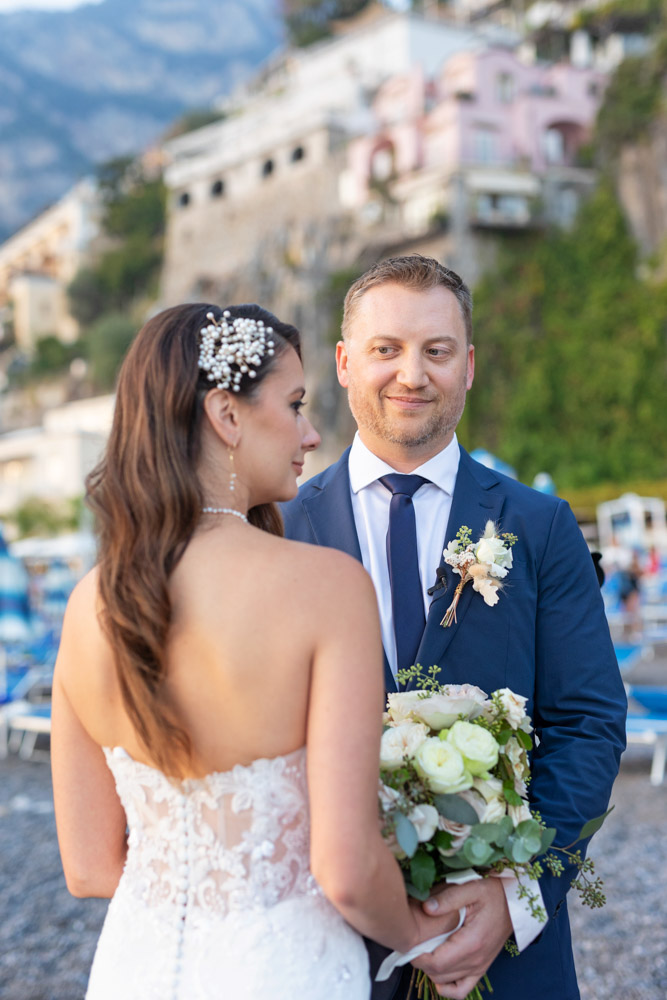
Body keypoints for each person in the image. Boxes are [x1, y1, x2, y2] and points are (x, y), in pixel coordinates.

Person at [51, 302, 455, 1000]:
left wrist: (205, 901)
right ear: (226, 415)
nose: (310, 432)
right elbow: (347, 867)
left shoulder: (90, 604)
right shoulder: (323, 586)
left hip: (135, 969)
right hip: (282, 970)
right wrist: (430, 943)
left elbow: (88, 866)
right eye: (294, 404)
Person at [282, 255, 627, 1000]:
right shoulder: (277, 530)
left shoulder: (538, 527)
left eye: (435, 351)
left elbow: (588, 722)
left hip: (505, 957)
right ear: (343, 363)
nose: (411, 374)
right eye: (385, 350)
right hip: (323, 944)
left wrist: (514, 898)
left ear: (466, 367)